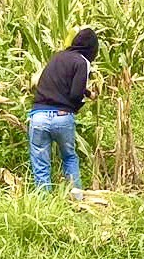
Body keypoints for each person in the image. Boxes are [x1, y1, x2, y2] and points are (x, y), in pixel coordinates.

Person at [29, 28, 99, 192]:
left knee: (40, 163)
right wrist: (76, 107)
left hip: (38, 116)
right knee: (69, 158)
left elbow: (59, 83)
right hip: (62, 116)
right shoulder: (82, 62)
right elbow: (75, 94)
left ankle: (43, 202)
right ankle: (76, 198)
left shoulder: (58, 57)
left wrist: (88, 93)